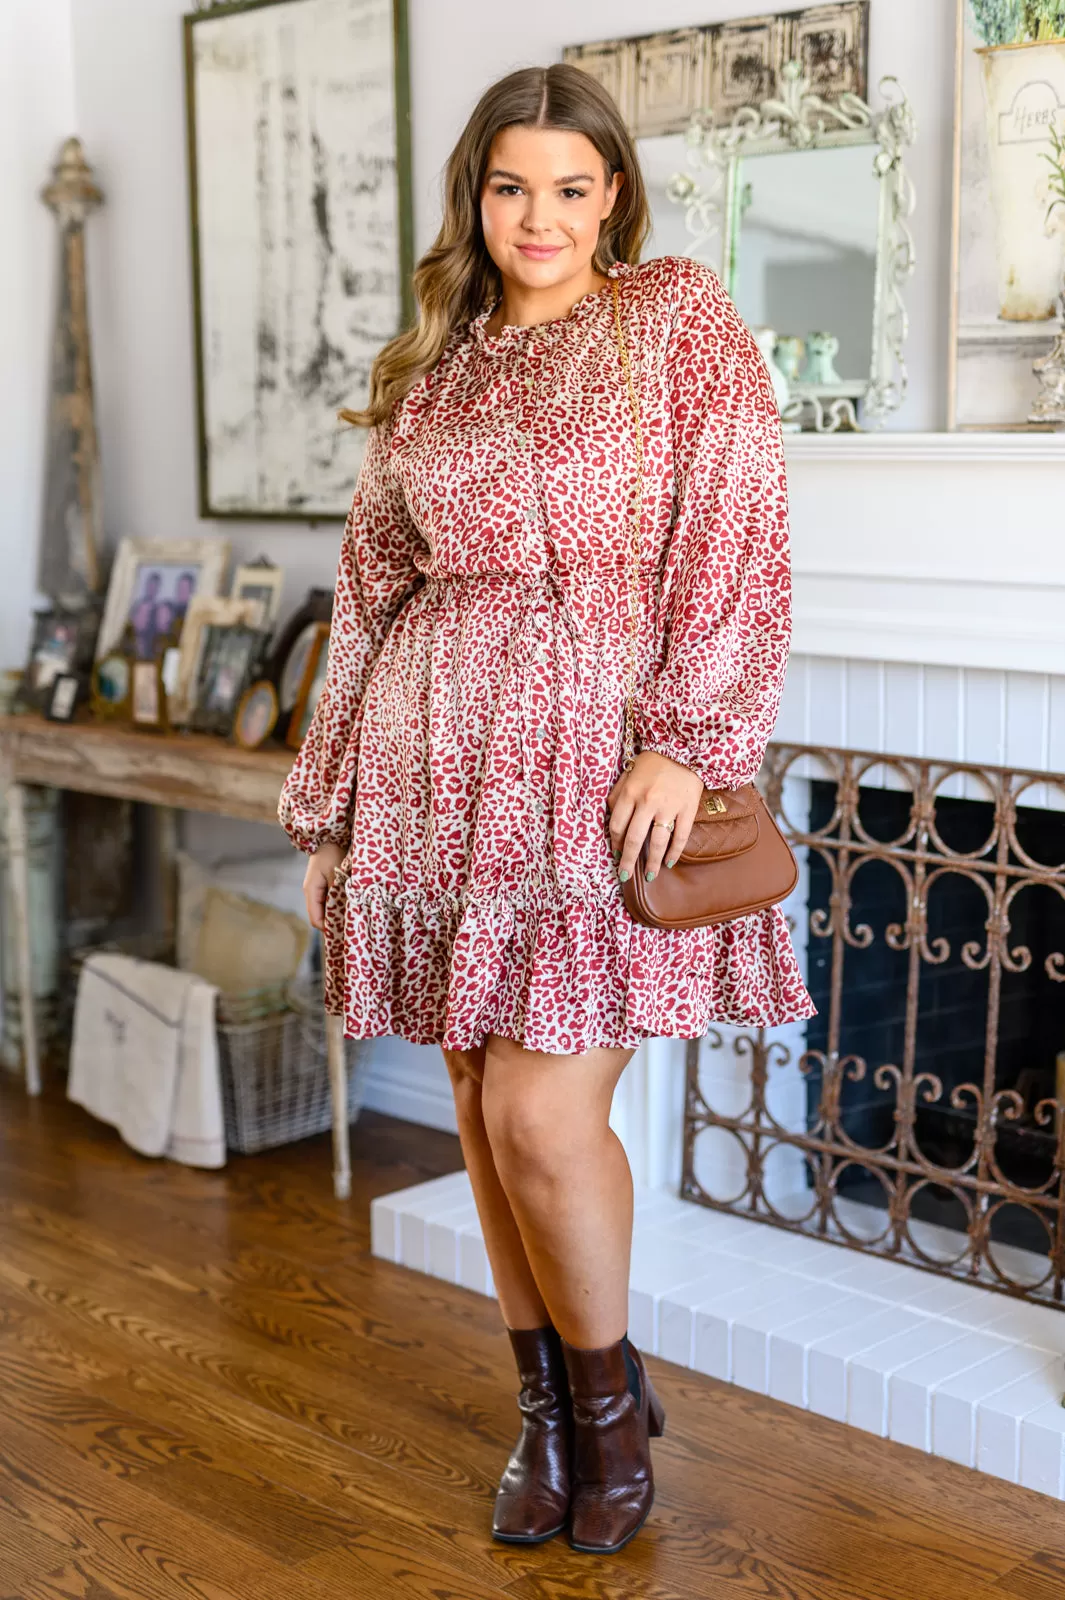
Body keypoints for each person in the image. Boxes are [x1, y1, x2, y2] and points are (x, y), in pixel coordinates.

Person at [279, 63, 814, 1557]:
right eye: (512, 185)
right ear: (478, 197)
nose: (541, 216)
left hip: (598, 770)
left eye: (572, 187)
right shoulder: (431, 380)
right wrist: (330, 815)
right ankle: (553, 1414)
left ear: (616, 196)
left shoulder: (675, 323)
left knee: (539, 1106)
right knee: (472, 1101)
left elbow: (742, 531)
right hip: (432, 769)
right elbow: (373, 595)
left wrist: (693, 743)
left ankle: (611, 1405)